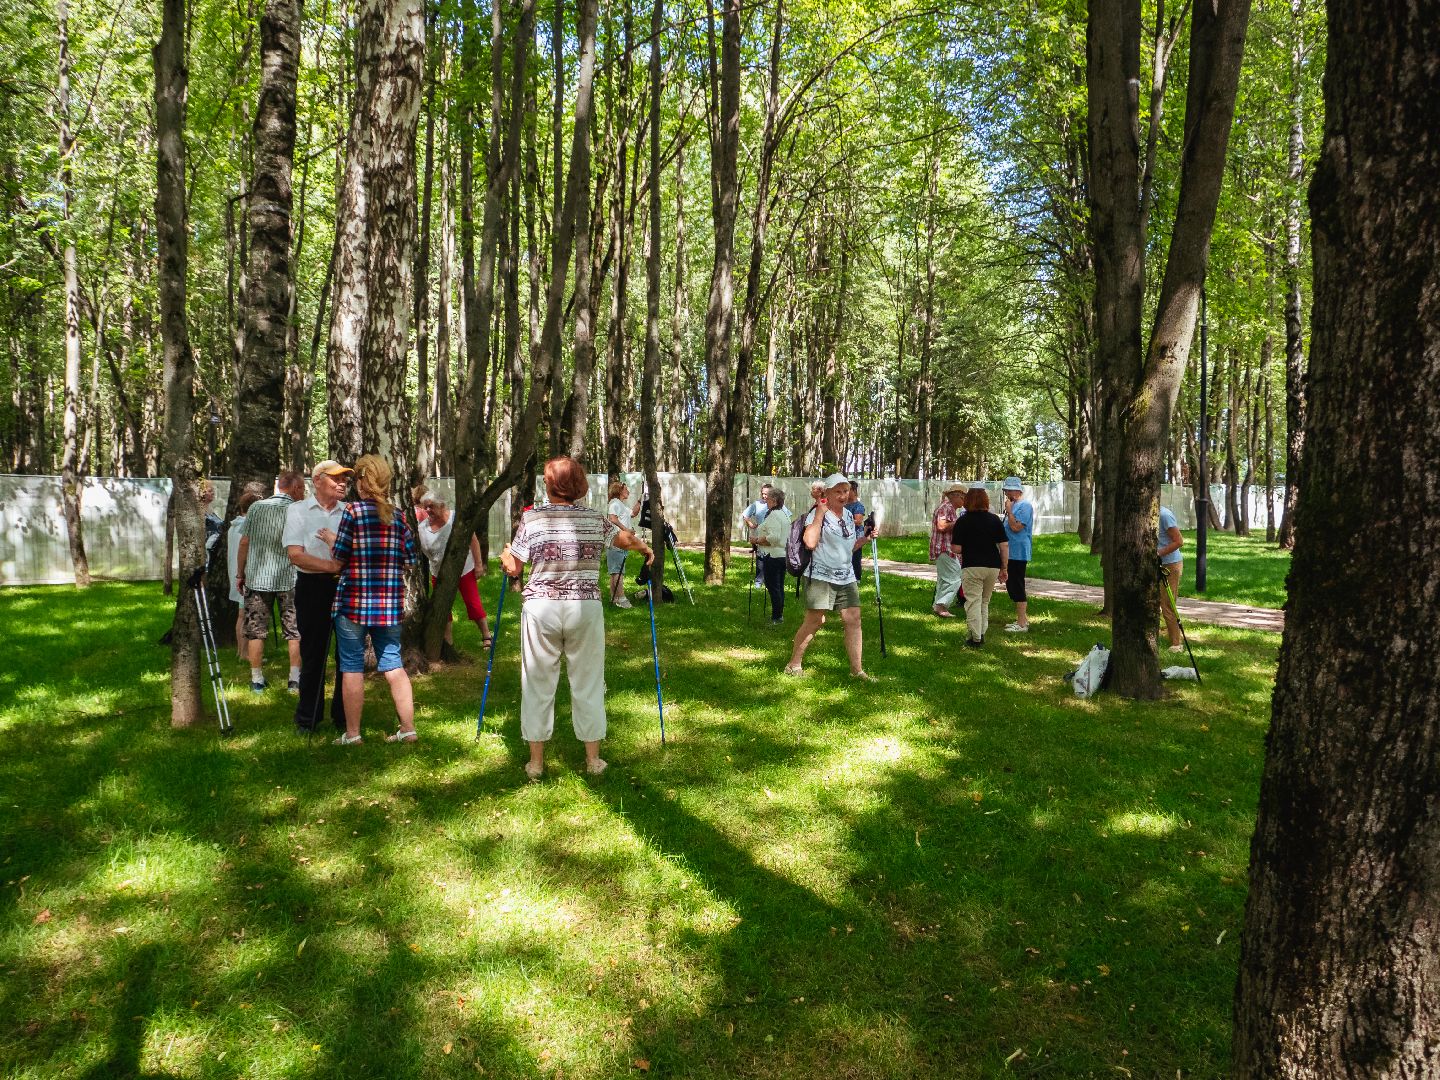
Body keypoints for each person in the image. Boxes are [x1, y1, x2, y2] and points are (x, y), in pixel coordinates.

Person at [499, 456, 654, 782]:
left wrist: (505, 557)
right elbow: (624, 538)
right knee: (588, 681)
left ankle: (536, 763)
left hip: (541, 609)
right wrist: (644, 548)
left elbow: (514, 568)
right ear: (579, 485)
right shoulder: (594, 518)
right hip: (584, 608)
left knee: (537, 683)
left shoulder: (532, 518)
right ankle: (593, 760)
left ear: (551, 485)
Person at [318, 454, 419, 746]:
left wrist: (331, 540)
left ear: (362, 482)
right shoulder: (398, 516)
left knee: (351, 666)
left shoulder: (353, 511)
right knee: (393, 664)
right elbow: (411, 560)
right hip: (388, 605)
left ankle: (353, 734)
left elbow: (340, 556)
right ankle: (408, 729)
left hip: (353, 602)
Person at [784, 473, 874, 680]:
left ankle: (857, 671)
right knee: (815, 621)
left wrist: (865, 538)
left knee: (853, 619)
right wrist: (819, 513)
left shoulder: (849, 515)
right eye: (838, 492)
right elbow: (810, 543)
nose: (843, 496)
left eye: (846, 491)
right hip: (821, 576)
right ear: (828, 493)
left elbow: (848, 547)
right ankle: (793, 664)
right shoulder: (817, 513)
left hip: (846, 576)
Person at [285, 460, 351, 734]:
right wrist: (332, 566)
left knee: (347, 654)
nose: (342, 483)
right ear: (317, 481)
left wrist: (340, 563)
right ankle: (308, 718)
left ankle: (344, 717)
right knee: (313, 654)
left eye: (345, 479)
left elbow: (356, 552)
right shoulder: (297, 510)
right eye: (336, 478)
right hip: (312, 587)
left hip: (346, 587)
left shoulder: (349, 512)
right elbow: (295, 555)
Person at [237, 472, 305, 692]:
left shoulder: (256, 508)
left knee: (256, 630)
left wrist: (240, 573)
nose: (303, 494)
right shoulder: (298, 509)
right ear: (295, 488)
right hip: (291, 579)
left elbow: (244, 542)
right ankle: (294, 680)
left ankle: (257, 680)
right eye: (303, 489)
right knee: (294, 630)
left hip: (258, 578)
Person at [418, 496, 491, 647]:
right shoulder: (422, 528)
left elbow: (473, 541)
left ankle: (486, 635)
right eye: (425, 507)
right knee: (442, 606)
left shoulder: (456, 519)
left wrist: (478, 565)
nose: (428, 510)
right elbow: (424, 550)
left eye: (431, 506)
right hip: (438, 572)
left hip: (464, 568)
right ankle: (448, 641)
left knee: (473, 603)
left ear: (441, 505)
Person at [952, 486, 1009, 647]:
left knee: (973, 601)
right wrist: (1004, 568)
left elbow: (956, 548)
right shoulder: (994, 520)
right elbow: (1004, 545)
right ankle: (981, 632)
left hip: (972, 566)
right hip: (992, 566)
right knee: (984, 601)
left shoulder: (963, 521)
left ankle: (975, 637)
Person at [226, 486, 264, 660]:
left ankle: (241, 651)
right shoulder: (247, 527)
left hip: (236, 572)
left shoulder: (234, 526)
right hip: (246, 574)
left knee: (242, 613)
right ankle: (245, 653)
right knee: (245, 614)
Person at [751, 487, 793, 625]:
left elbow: (773, 538)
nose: (766, 500)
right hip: (782, 555)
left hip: (773, 556)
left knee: (773, 586)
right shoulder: (783, 514)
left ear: (774, 501)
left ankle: (777, 617)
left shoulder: (774, 515)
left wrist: (757, 540)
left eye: (768, 498)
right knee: (778, 586)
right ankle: (779, 615)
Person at [1000, 477, 1034, 633]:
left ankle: (1021, 624)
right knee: (1011, 585)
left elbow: (1016, 527)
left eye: (1008, 490)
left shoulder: (1025, 506)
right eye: (1005, 490)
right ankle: (1022, 619)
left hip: (1018, 552)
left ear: (1017, 490)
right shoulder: (1013, 505)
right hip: (1009, 551)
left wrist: (1009, 511)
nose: (1006, 493)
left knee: (1017, 585)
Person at [930, 484, 967, 617]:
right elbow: (941, 526)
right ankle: (942, 605)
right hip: (944, 548)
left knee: (944, 579)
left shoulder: (950, 508)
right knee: (955, 578)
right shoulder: (945, 507)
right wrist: (960, 522)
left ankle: (938, 606)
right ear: (955, 496)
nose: (964, 501)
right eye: (963, 498)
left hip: (946, 548)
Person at [606, 480, 643, 608]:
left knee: (615, 571)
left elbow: (633, 513)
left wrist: (640, 500)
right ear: (619, 490)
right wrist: (626, 530)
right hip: (616, 542)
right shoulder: (614, 503)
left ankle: (614, 598)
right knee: (618, 572)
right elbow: (612, 518)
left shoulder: (620, 505)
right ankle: (622, 599)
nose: (628, 491)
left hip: (621, 542)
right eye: (626, 489)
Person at [1158, 505, 1185, 652]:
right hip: (1156, 563)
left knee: (1167, 604)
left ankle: (1176, 644)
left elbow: (1179, 541)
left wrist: (1158, 553)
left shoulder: (1164, 515)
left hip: (1170, 564)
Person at [742, 483, 773, 585]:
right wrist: (750, 524)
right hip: (760, 536)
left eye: (766, 494)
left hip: (772, 536)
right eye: (762, 493)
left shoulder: (777, 504)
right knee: (760, 559)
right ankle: (758, 583)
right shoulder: (757, 504)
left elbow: (787, 516)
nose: (764, 496)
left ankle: (770, 583)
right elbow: (745, 515)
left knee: (771, 559)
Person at [846, 485, 868, 584]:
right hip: (846, 534)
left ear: (854, 491)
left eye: (848, 490)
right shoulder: (844, 505)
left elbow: (858, 521)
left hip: (856, 534)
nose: (846, 493)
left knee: (855, 556)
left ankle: (856, 578)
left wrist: (843, 520)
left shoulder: (858, 506)